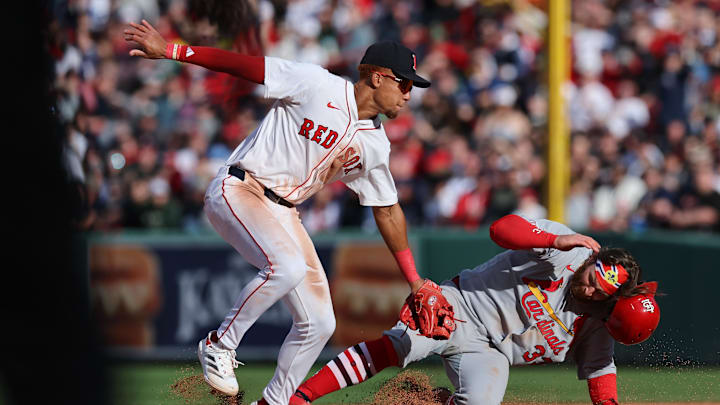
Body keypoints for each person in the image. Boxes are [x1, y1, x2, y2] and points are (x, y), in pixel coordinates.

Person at [124, 20, 444, 405]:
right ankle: (219, 344)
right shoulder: (316, 84)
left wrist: (415, 281)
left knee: (320, 323)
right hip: (240, 187)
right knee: (287, 266)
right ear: (377, 78)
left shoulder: (375, 146)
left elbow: (388, 211)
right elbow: (245, 66)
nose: (409, 94)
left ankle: (274, 402)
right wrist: (174, 51)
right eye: (405, 83)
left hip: (286, 212)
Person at [289, 214, 660, 405]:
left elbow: (599, 372)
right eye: (594, 277)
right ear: (595, 260)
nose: (591, 289)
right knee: (401, 345)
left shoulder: (595, 321)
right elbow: (500, 229)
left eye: (601, 293)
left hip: (490, 353)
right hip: (461, 305)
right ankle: (299, 397)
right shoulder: (569, 250)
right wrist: (553, 239)